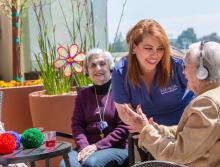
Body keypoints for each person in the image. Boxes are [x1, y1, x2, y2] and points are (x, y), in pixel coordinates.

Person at [121, 41, 220, 166]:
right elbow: (191, 133)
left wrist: (145, 131)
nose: (183, 72)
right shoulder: (214, 96)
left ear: (201, 72)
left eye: (185, 66)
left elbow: (177, 155)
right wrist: (158, 129)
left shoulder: (207, 104)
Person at [111, 19, 193, 161]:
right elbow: (124, 112)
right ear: (133, 47)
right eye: (148, 48)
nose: (155, 55)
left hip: (183, 130)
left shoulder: (177, 63)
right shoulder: (120, 72)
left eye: (160, 48)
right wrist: (143, 127)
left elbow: (203, 92)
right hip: (145, 131)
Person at [59, 48, 128, 167]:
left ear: (110, 67)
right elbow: (77, 125)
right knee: (66, 165)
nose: (98, 68)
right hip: (87, 147)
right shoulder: (83, 95)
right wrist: (85, 147)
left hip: (116, 146)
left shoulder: (121, 91)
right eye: (93, 65)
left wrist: (97, 146)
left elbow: (123, 128)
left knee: (91, 164)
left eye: (102, 64)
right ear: (87, 71)